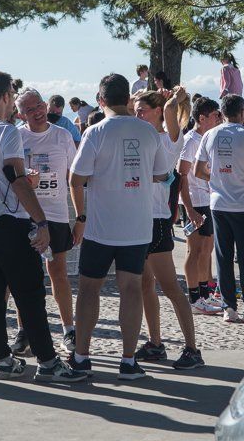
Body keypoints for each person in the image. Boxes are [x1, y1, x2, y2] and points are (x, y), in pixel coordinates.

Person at [0, 72, 85, 383]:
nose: (14, 102)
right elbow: (18, 181)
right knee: (29, 292)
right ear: (3, 98)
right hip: (8, 222)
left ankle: (1, 358)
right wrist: (41, 221)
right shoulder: (7, 131)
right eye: (12, 97)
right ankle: (48, 362)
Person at [67, 73, 169, 380]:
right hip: (137, 225)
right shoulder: (149, 132)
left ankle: (82, 357)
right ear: (128, 99)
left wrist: (81, 217)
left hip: (100, 225)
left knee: (88, 290)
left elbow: (76, 178)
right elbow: (162, 173)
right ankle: (127, 361)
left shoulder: (95, 131)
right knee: (131, 289)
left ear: (100, 100)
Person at [133, 88, 204, 369]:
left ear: (157, 112)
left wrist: (171, 101)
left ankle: (192, 349)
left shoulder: (169, 138)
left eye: (143, 111)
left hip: (158, 220)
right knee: (144, 285)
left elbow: (170, 115)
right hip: (137, 219)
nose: (137, 115)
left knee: (171, 287)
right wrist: (135, 98)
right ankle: (155, 343)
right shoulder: (137, 137)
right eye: (136, 110)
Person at [10, 88, 79, 356]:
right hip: (24, 215)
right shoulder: (16, 135)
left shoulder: (62, 135)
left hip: (56, 214)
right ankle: (24, 330)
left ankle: (68, 330)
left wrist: (80, 216)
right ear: (20, 114)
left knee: (58, 273)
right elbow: (10, 174)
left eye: (39, 105)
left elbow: (74, 178)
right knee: (23, 276)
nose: (38, 112)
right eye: (30, 109)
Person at [195, 94, 244, 324]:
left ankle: (229, 307)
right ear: (241, 113)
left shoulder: (210, 134)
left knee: (223, 256)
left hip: (218, 203)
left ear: (222, 112)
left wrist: (217, 178)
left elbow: (199, 171)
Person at [178, 97, 224, 316]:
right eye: (215, 115)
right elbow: (181, 176)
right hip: (194, 202)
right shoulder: (190, 140)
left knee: (206, 249)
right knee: (194, 250)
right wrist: (189, 209)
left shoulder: (208, 138)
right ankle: (194, 297)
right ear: (203, 118)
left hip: (207, 200)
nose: (218, 119)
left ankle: (204, 295)